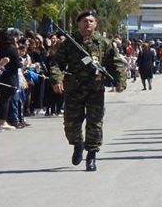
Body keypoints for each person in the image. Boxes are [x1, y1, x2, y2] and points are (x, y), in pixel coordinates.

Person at [50, 10, 127, 171]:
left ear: (96, 24)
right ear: (78, 24)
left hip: (95, 89)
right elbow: (57, 63)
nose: (88, 23)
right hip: (74, 89)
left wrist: (120, 81)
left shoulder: (104, 43)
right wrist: (57, 79)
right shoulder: (70, 43)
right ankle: (78, 144)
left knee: (95, 124)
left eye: (91, 21)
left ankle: (91, 155)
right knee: (71, 124)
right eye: (84, 21)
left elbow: (116, 63)